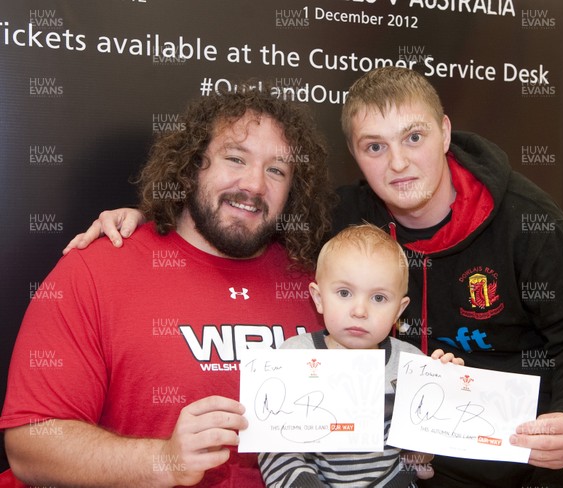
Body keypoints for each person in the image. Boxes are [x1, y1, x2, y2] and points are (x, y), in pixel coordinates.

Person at [61, 67, 563, 487]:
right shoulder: (341, 217)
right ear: (356, 156)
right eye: (374, 147)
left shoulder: (528, 221)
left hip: (528, 461)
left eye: (413, 137)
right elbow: (245, 213)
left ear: (444, 132)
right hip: (418, 469)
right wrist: (146, 218)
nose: (398, 164)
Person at [0, 87, 334, 487]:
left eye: (277, 170)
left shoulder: (320, 288)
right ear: (192, 166)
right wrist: (164, 461)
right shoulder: (97, 268)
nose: (255, 185)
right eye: (235, 158)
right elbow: (30, 444)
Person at [258, 223, 464, 488]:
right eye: (344, 293)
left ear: (398, 311)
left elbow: (421, 457)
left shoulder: (412, 364)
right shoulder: (294, 356)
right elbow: (274, 447)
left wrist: (446, 393)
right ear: (318, 298)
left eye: (378, 298)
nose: (359, 310)